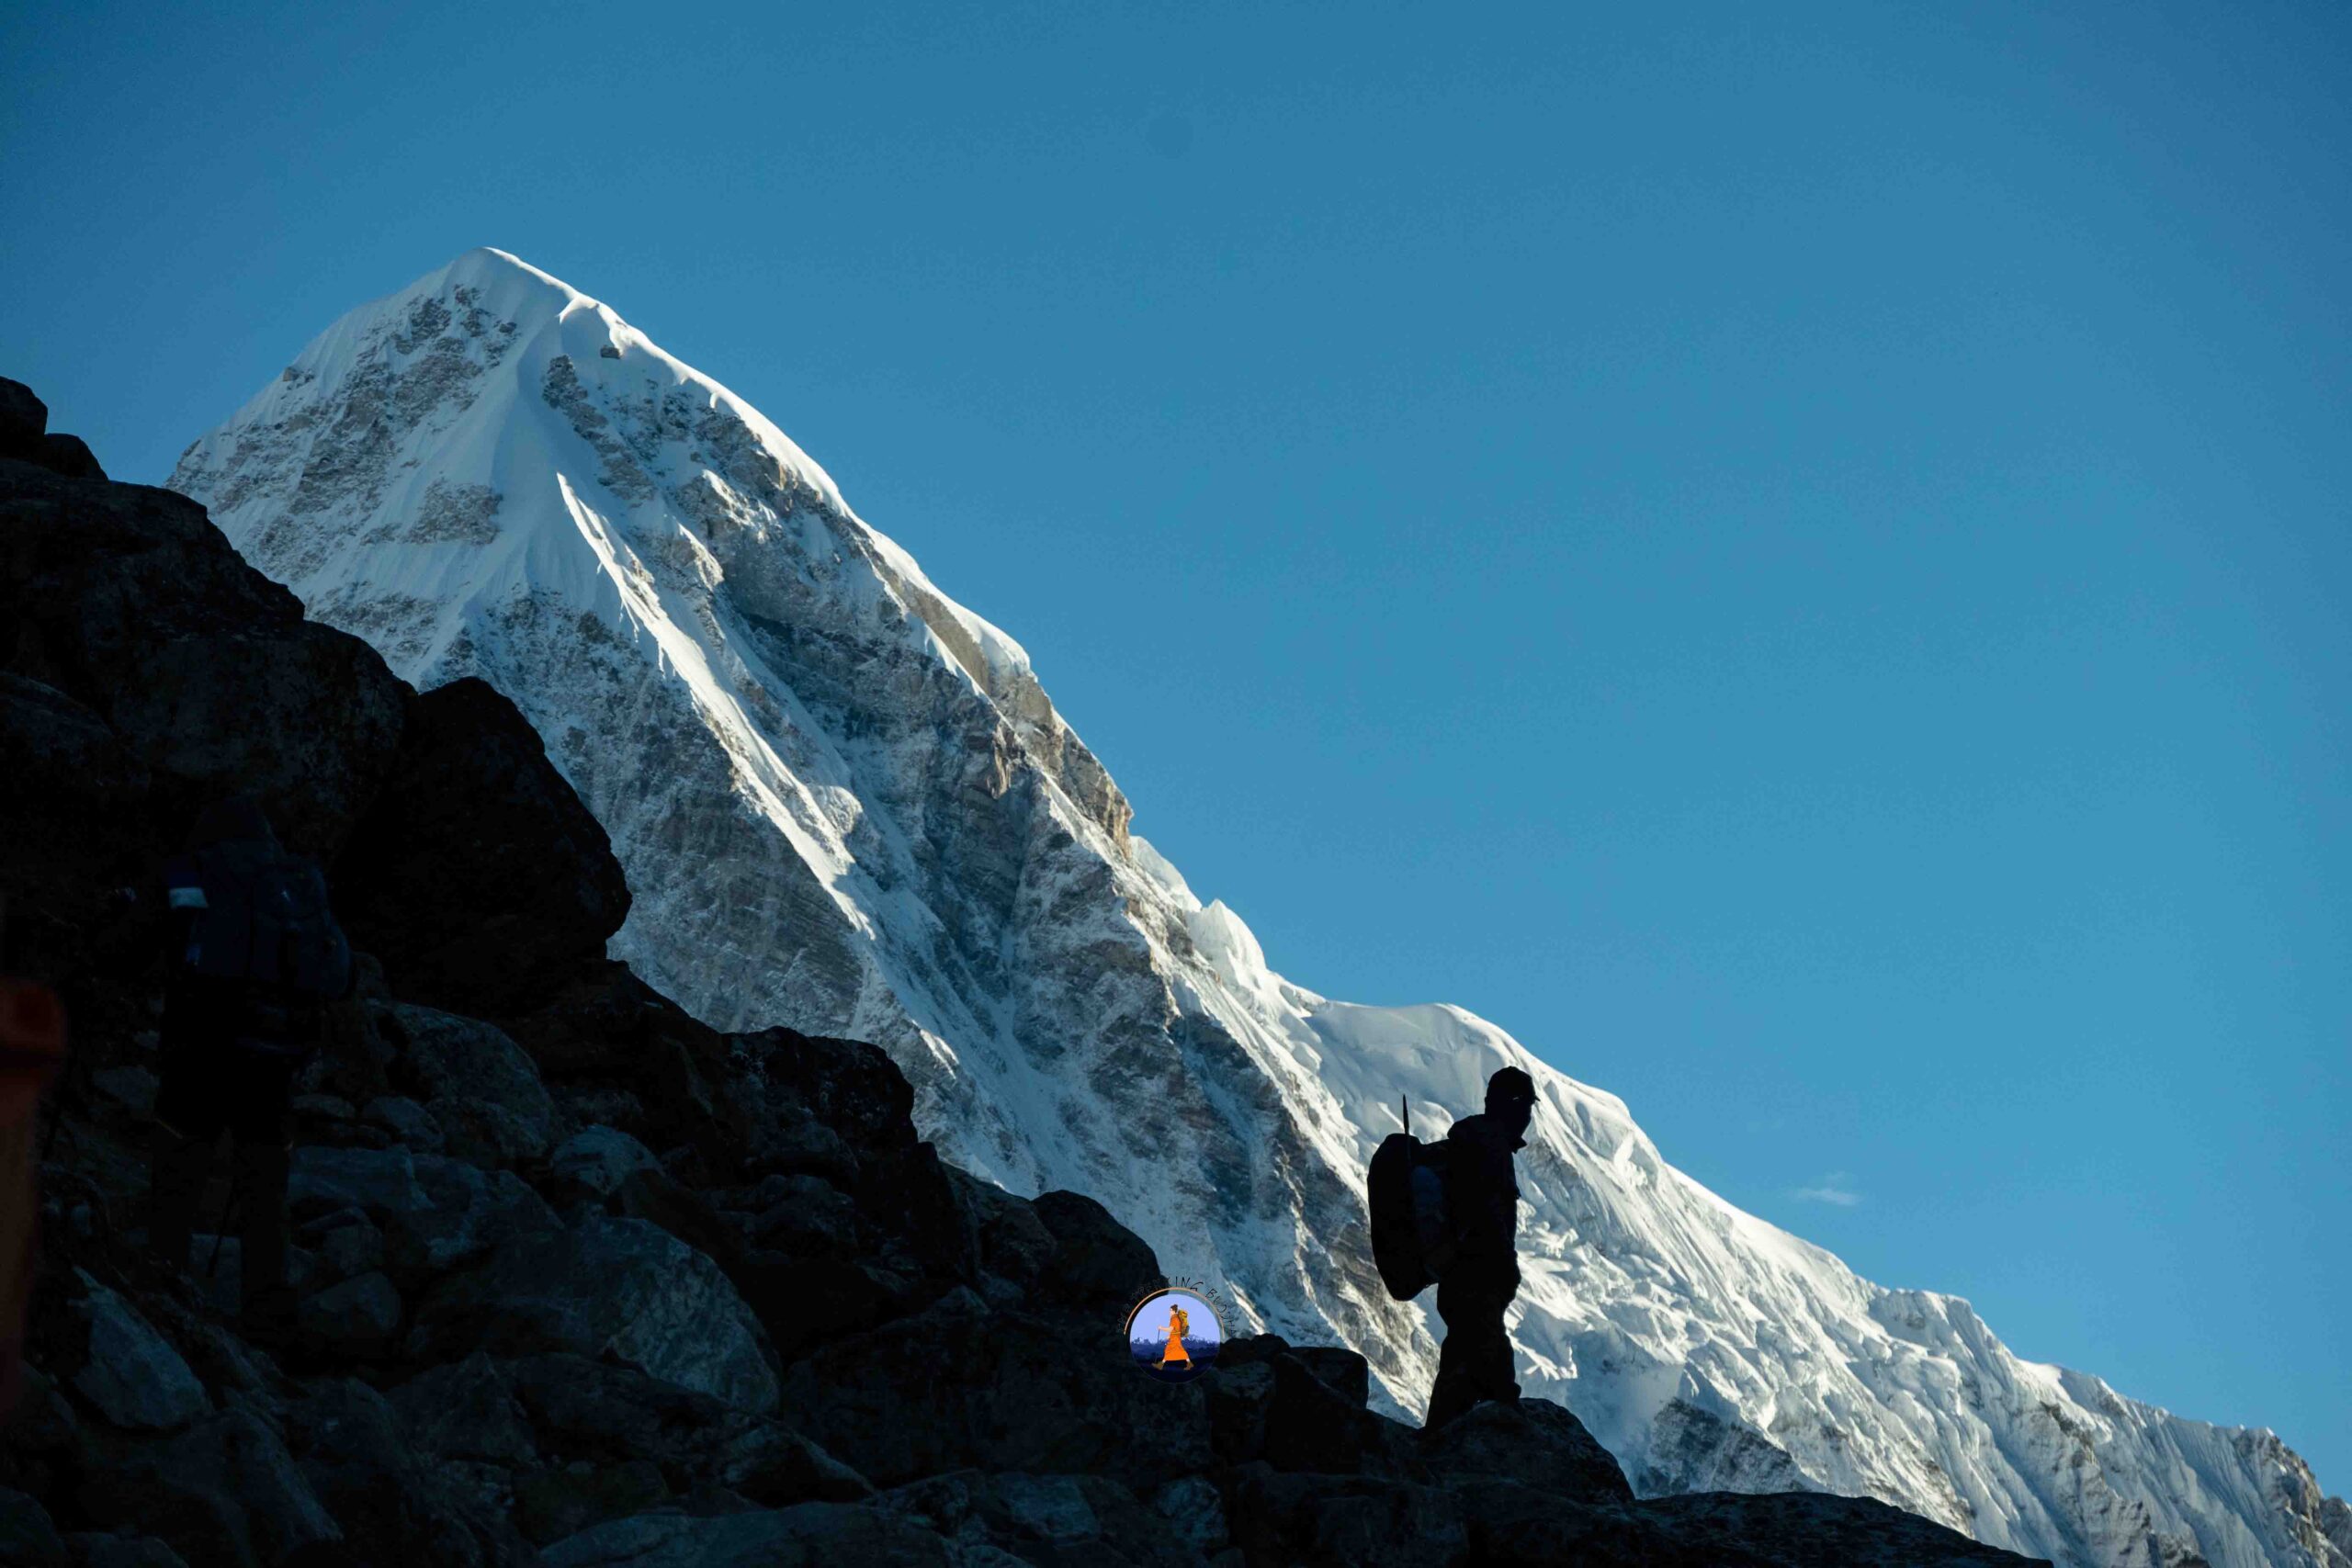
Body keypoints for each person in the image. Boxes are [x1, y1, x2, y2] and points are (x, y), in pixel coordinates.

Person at [147, 797, 350, 1331]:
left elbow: (164, 927)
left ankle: (161, 1282)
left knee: (180, 1167)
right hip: (275, 1057)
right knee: (263, 1185)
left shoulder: (197, 869)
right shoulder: (294, 882)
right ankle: (269, 1308)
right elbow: (339, 970)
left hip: (204, 1048)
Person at [1425, 1065, 1537, 1429]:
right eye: (1525, 1106)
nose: (1528, 1116)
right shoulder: (1489, 1146)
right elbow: (1485, 1209)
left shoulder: (1478, 1141)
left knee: (1460, 1361)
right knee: (1489, 1365)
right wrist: (1506, 1265)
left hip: (1462, 1278)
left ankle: (1435, 1445)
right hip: (1477, 1278)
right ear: (1512, 1105)